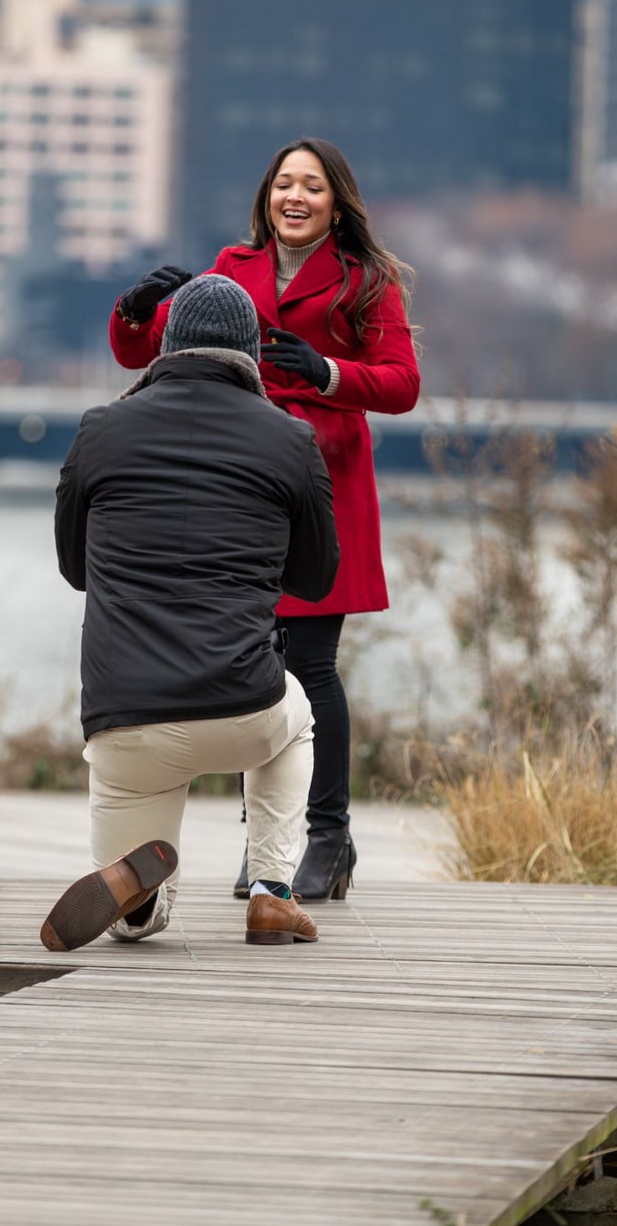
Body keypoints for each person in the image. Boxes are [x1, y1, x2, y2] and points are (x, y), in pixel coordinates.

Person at [109, 138, 419, 902]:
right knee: (255, 671)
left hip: (323, 486)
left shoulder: (367, 281)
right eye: (285, 183)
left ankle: (328, 837)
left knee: (310, 666)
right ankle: (267, 843)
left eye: (312, 186)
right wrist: (135, 307)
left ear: (336, 203)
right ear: (267, 195)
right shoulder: (229, 268)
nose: (296, 196)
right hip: (241, 488)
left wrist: (327, 374)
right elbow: (145, 351)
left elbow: (403, 383)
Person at [41, 273, 340, 954]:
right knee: (298, 718)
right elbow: (317, 579)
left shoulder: (100, 428)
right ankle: (271, 893)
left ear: (165, 346)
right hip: (243, 702)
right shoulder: (290, 440)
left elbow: (75, 570)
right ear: (252, 354)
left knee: (133, 921)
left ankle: (140, 902)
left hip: (124, 716)